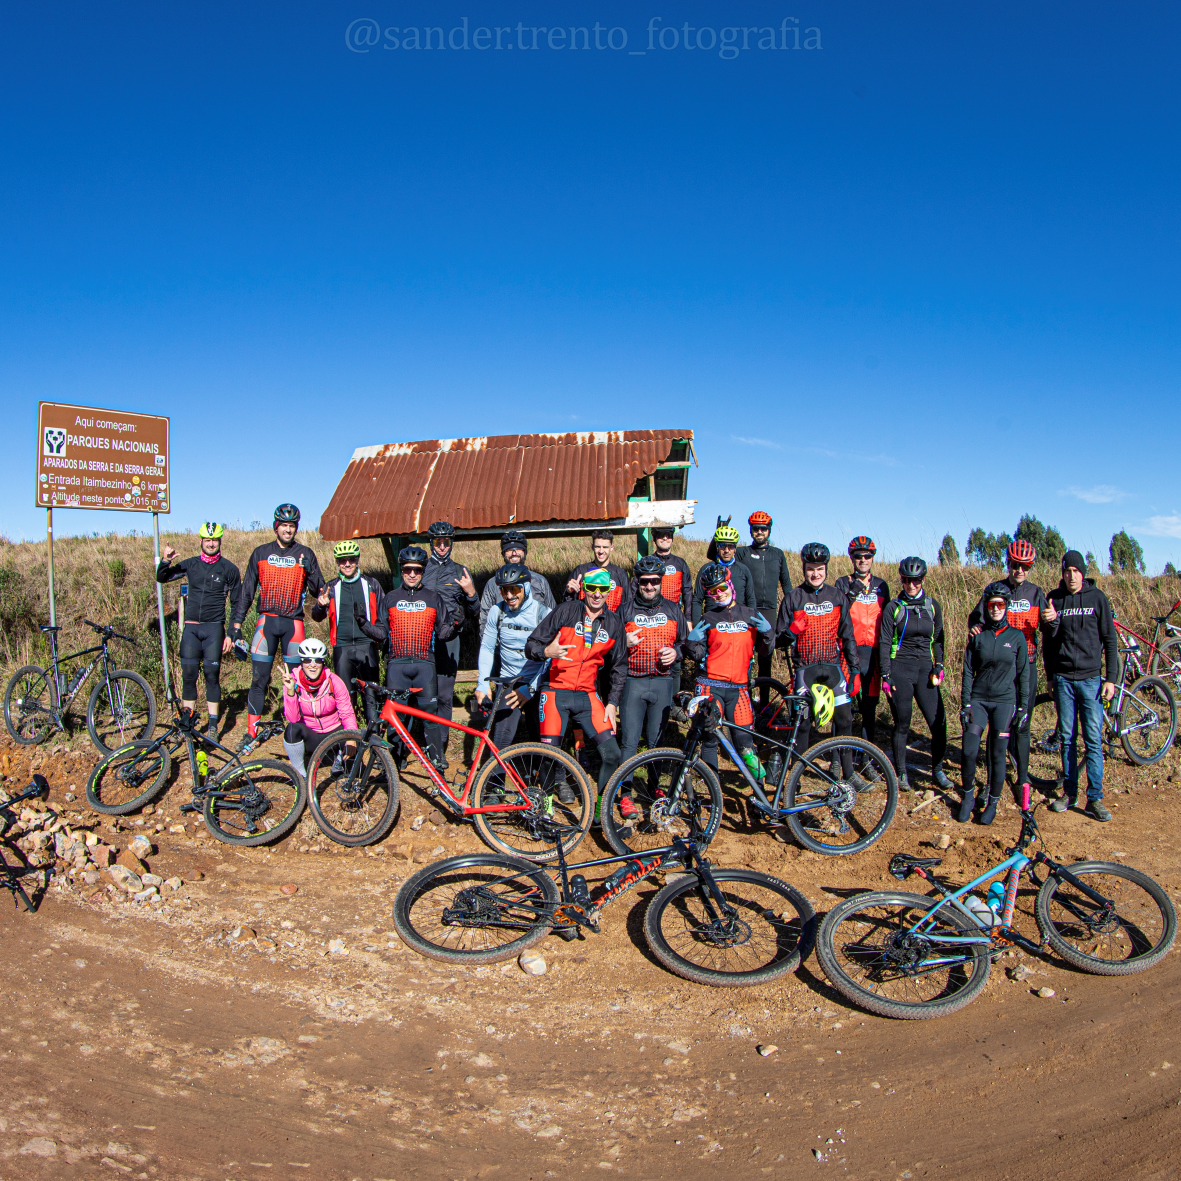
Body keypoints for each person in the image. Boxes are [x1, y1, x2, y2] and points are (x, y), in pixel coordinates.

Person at [357, 545, 463, 772]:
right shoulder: (391, 598)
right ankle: (394, 764)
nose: (412, 574)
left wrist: (457, 625)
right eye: (407, 570)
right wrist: (364, 624)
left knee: (430, 718)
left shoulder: (434, 598)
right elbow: (382, 633)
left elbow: (443, 634)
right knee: (396, 719)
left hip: (425, 666)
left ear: (423, 571)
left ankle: (437, 762)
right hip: (397, 666)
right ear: (402, 570)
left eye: (417, 570)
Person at [966, 538, 1058, 798]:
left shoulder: (1036, 593)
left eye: (1025, 566)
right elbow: (977, 617)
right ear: (1008, 563)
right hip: (998, 671)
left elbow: (1049, 631)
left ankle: (1021, 778)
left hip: (1025, 666)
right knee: (997, 725)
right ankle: (993, 779)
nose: (1020, 571)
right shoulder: (995, 589)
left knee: (1022, 724)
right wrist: (974, 625)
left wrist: (1053, 621)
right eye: (1016, 565)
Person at [525, 568, 627, 798]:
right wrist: (546, 651)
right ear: (584, 589)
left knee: (612, 755)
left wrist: (612, 703)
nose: (597, 594)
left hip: (587, 695)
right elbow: (530, 645)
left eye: (602, 589)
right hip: (555, 692)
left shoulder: (614, 623)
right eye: (592, 588)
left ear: (609, 590)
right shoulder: (566, 611)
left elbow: (619, 667)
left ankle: (602, 815)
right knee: (550, 755)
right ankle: (546, 810)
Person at [768, 543, 865, 783]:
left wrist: (855, 670)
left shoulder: (837, 596)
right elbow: (778, 641)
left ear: (826, 569)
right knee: (802, 725)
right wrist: (792, 630)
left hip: (833, 669)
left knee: (844, 721)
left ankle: (849, 774)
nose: (815, 574)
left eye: (820, 569)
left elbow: (848, 636)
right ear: (804, 569)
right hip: (805, 670)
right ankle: (796, 780)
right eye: (811, 569)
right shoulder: (794, 597)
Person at [232, 504, 326, 738]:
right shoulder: (261, 552)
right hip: (266, 623)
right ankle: (251, 732)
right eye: (284, 525)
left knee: (297, 681)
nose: (288, 529)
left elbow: (319, 591)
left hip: (293, 625)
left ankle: (297, 728)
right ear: (276, 527)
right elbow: (247, 591)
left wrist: (310, 572)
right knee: (259, 679)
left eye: (292, 525)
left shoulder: (305, 553)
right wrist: (236, 624)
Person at [1044, 550, 1119, 822]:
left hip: (1091, 680)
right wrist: (1051, 677)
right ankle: (1070, 793)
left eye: (1075, 571)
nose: (1071, 575)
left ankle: (1095, 798)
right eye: (1067, 571)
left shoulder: (1098, 599)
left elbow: (1110, 641)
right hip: (1063, 679)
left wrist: (1110, 679)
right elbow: (1048, 643)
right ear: (1062, 573)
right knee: (1066, 738)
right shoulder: (1055, 599)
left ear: (1082, 573)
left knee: (1093, 741)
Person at [615, 555, 689, 818]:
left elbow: (686, 644)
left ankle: (655, 787)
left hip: (662, 682)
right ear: (637, 582)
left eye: (654, 582)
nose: (649, 587)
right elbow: (608, 646)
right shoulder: (625, 610)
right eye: (644, 582)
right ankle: (625, 794)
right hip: (633, 682)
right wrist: (623, 641)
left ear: (661, 581)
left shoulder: (672, 609)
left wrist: (676, 654)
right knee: (629, 743)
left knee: (657, 742)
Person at [685, 563, 772, 778]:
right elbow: (697, 655)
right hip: (710, 686)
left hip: (740, 688)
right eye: (712, 592)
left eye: (722, 588)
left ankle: (760, 791)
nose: (718, 594)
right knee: (709, 739)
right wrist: (690, 642)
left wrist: (769, 634)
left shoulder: (751, 615)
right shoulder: (709, 618)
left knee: (746, 745)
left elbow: (764, 650)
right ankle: (711, 788)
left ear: (731, 585)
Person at [156, 522, 241, 740]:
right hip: (191, 629)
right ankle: (187, 723)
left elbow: (238, 602)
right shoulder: (191, 565)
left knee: (212, 676)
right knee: (189, 677)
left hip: (214, 629)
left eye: (214, 540)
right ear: (201, 541)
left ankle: (212, 726)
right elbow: (162, 577)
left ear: (220, 541)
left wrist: (232, 633)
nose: (211, 544)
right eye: (207, 540)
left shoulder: (229, 569)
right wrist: (165, 560)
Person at [958, 582, 1030, 826]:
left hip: (1005, 702)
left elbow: (1024, 675)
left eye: (1000, 605)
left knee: (998, 753)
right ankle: (968, 796)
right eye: (992, 605)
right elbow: (968, 671)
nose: (996, 609)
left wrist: (1023, 708)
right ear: (986, 607)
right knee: (969, 749)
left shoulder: (1016, 637)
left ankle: (993, 803)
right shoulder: (978, 634)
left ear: (1006, 607)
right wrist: (965, 703)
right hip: (978, 699)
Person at [879, 556, 951, 791]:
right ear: (901, 579)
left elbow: (938, 640)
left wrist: (939, 664)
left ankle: (937, 770)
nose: (911, 585)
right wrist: (886, 675)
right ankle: (901, 774)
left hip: (925, 669)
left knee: (938, 724)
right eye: (907, 580)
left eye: (916, 580)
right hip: (900, 668)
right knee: (902, 723)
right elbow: (884, 641)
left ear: (923, 579)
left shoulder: (932, 606)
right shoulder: (894, 608)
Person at [474, 564, 551, 750]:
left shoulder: (543, 614)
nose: (509, 596)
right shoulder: (497, 612)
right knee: (500, 740)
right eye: (504, 590)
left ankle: (550, 778)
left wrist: (530, 690)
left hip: (536, 681)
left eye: (515, 589)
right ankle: (495, 779)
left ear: (526, 587)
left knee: (544, 739)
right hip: (509, 681)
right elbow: (487, 648)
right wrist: (482, 684)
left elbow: (550, 659)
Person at [422, 521, 479, 768]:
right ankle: (424, 743)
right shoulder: (420, 569)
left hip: (450, 639)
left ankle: (440, 749)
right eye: (438, 542)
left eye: (446, 542)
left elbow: (475, 612)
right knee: (424, 696)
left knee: (445, 696)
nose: (442, 547)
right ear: (431, 543)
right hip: (422, 639)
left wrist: (470, 593)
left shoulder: (460, 570)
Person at [310, 540, 382, 717]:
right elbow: (316, 617)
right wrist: (320, 605)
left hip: (367, 645)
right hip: (342, 647)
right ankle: (349, 739)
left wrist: (382, 640)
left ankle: (374, 738)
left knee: (371, 696)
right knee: (345, 697)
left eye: (351, 559)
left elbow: (382, 615)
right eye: (343, 560)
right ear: (337, 562)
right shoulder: (330, 587)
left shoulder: (371, 584)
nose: (347, 564)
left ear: (357, 560)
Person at [834, 536, 890, 749]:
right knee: (843, 709)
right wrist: (852, 593)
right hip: (849, 652)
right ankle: (839, 760)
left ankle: (867, 759)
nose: (863, 560)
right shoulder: (842, 583)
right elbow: (838, 614)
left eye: (868, 556)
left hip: (873, 654)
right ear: (852, 558)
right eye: (859, 556)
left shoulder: (881, 586)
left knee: (869, 710)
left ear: (873, 558)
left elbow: (886, 620)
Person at [280, 638, 358, 781]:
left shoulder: (333, 681)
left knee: (354, 739)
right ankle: (300, 775)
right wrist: (290, 691)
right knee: (291, 729)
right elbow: (293, 719)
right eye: (307, 660)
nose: (312, 665)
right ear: (301, 662)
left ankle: (339, 758)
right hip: (311, 736)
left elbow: (347, 713)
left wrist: (351, 739)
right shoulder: (292, 681)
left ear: (323, 662)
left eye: (317, 660)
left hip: (334, 733)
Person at [737, 511, 791, 706]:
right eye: (756, 528)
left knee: (765, 660)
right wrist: (719, 530)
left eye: (763, 528)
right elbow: (717, 554)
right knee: (745, 659)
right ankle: (745, 701)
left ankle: (765, 704)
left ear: (769, 530)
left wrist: (790, 613)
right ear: (751, 530)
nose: (759, 532)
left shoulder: (778, 554)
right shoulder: (742, 552)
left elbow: (787, 586)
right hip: (748, 610)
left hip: (769, 611)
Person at [478, 530, 556, 638]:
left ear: (525, 552)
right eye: (509, 550)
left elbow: (553, 615)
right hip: (503, 647)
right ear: (503, 554)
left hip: (536, 646)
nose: (514, 553)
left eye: (518, 549)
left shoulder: (540, 581)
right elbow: (484, 619)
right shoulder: (493, 584)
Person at [692, 518, 756, 623]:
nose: (726, 550)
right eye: (722, 546)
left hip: (739, 622)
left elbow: (751, 600)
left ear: (735, 548)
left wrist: (753, 623)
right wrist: (696, 626)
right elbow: (697, 600)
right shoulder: (706, 569)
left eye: (730, 546)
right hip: (712, 622)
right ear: (717, 547)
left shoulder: (743, 570)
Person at [629, 527, 692, 617]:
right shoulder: (646, 563)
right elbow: (634, 590)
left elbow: (688, 592)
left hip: (674, 614)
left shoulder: (680, 563)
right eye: (661, 535)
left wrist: (688, 618)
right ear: (654, 538)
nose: (665, 538)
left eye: (669, 535)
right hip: (649, 615)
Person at [565, 529, 630, 612]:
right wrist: (569, 593)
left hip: (612, 623)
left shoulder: (621, 574)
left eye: (605, 547)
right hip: (584, 621)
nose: (601, 551)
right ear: (592, 547)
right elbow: (568, 607)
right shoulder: (580, 571)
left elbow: (628, 606)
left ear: (612, 547)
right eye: (597, 547)